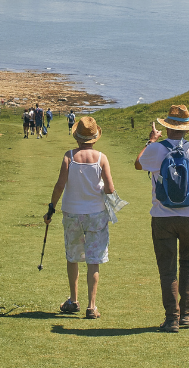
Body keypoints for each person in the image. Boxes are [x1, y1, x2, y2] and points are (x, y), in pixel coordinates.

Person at [134, 104, 189, 333]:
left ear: (166, 128)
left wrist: (150, 141)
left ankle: (172, 319)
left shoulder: (157, 149)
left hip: (162, 216)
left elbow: (138, 164)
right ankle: (187, 314)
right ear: (187, 129)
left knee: (167, 269)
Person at [45, 117, 116, 320]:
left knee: (73, 256)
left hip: (72, 212)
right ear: (95, 138)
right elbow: (110, 188)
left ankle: (73, 300)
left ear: (77, 137)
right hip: (96, 213)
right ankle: (91, 306)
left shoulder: (69, 156)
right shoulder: (101, 158)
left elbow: (60, 185)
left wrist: (51, 207)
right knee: (94, 260)